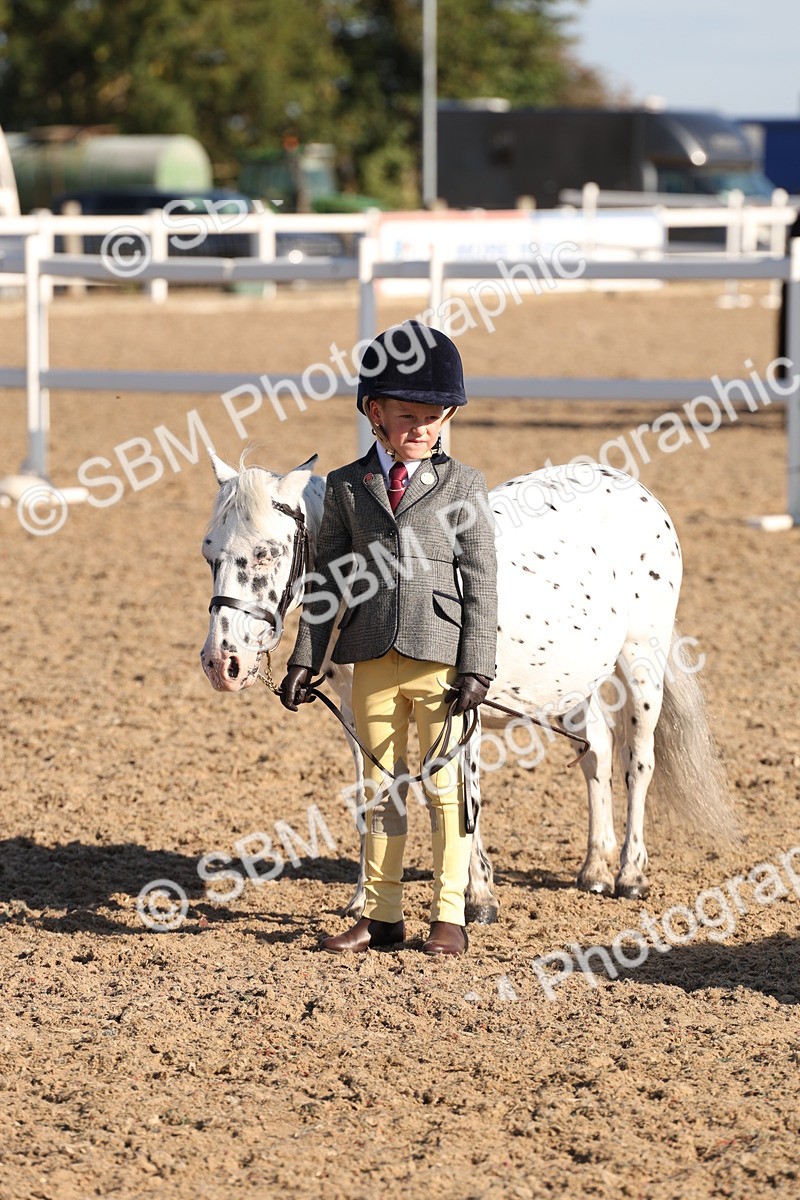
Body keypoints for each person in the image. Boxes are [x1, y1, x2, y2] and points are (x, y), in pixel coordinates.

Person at [280, 320, 498, 957]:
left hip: (440, 658)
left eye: (434, 418)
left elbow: (482, 579)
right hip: (370, 655)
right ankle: (381, 916)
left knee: (444, 789)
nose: (422, 429)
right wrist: (304, 659)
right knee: (380, 789)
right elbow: (325, 582)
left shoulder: (463, 485)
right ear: (375, 413)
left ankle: (450, 913)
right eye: (408, 417)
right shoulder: (348, 486)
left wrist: (477, 664)